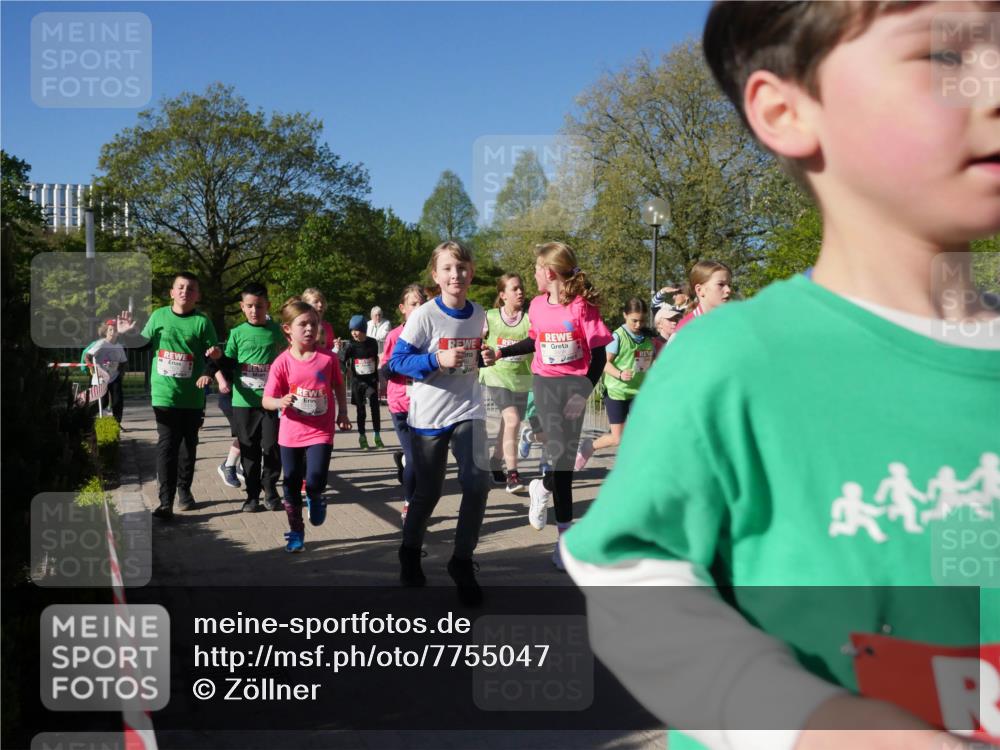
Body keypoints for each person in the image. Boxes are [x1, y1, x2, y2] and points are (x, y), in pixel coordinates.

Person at [562, 4, 1000, 750]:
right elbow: (632, 574)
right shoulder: (732, 360)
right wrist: (811, 722)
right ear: (786, 111)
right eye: (945, 56)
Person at [485, 242, 611, 570]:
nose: (534, 276)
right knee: (563, 463)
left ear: (550, 272)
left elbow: (599, 355)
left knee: (564, 465)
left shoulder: (582, 307)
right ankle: (564, 545)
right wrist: (502, 352)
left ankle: (541, 486)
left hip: (575, 387)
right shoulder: (538, 306)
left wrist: (583, 392)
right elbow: (534, 340)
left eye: (537, 269)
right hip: (545, 386)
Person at [390, 241, 490, 606]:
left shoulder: (479, 314)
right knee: (428, 493)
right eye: (447, 268)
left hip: (468, 409)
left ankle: (461, 561)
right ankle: (409, 551)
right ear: (436, 275)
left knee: (478, 482)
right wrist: (435, 359)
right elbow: (396, 363)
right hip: (429, 416)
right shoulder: (424, 315)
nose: (455, 274)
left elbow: (473, 357)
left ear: (471, 272)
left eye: (461, 267)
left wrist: (484, 356)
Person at [116, 272, 221, 519]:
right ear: (172, 292)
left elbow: (214, 356)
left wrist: (208, 373)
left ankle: (184, 490)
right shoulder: (159, 316)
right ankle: (166, 502)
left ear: (197, 295)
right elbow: (142, 345)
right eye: (180, 287)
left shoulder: (202, 322)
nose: (185, 292)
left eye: (191, 288)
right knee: (167, 445)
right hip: (164, 393)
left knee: (188, 446)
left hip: (192, 396)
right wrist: (127, 333)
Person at [262, 300, 350, 552]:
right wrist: (279, 401)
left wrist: (343, 413)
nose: (310, 328)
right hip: (290, 433)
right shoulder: (282, 362)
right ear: (287, 329)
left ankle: (315, 495)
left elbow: (339, 385)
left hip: (320, 431)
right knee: (290, 482)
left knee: (315, 478)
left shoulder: (327, 359)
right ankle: (296, 530)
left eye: (313, 323)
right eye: (303, 324)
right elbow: (266, 399)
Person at [214, 282, 286, 513]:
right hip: (244, 402)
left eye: (259, 306)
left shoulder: (277, 331)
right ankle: (252, 496)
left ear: (268, 306)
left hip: (271, 402)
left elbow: (288, 358)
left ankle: (271, 491)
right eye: (250, 306)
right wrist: (218, 361)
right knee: (249, 450)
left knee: (272, 447)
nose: (255, 311)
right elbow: (229, 364)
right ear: (242, 307)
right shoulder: (237, 333)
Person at [575, 298, 653, 470]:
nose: (638, 325)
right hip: (616, 393)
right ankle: (589, 447)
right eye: (634, 320)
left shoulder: (647, 337)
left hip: (638, 393)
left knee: (643, 431)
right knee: (617, 438)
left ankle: (636, 467)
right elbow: (603, 363)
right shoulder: (617, 337)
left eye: (642, 321)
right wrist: (619, 374)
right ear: (625, 315)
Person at [380, 283, 428, 523]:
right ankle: (409, 503)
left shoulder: (431, 333)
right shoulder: (394, 336)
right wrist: (401, 364)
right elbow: (385, 369)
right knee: (415, 458)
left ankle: (404, 463)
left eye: (422, 303)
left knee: (423, 459)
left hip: (426, 403)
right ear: (402, 308)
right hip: (401, 403)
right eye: (413, 304)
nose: (418, 308)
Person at [480, 273, 532, 494]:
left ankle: (495, 461)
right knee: (512, 418)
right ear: (502, 295)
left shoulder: (530, 319)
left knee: (509, 423)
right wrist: (481, 348)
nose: (520, 292)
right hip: (496, 375)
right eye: (514, 289)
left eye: (521, 288)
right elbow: (476, 340)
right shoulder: (489, 317)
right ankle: (513, 475)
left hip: (521, 378)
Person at [341, 314, 383, 450]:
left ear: (364, 330)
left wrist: (378, 376)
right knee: (361, 411)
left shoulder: (372, 342)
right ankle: (362, 437)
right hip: (358, 382)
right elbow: (341, 360)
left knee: (375, 409)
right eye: (351, 330)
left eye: (356, 330)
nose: (353, 333)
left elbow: (375, 359)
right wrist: (346, 370)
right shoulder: (350, 345)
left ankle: (377, 435)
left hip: (371, 381)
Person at [84, 318, 128, 424]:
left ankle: (117, 423)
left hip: (114, 377)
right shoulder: (101, 344)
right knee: (103, 402)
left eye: (115, 330)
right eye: (110, 330)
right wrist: (92, 368)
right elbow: (87, 356)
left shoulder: (119, 347)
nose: (112, 332)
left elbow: (123, 362)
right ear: (105, 331)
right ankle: (88, 419)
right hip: (101, 378)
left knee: (117, 401)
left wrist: (121, 373)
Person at [673, 260, 732, 334]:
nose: (728, 290)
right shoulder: (686, 330)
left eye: (729, 285)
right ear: (699, 290)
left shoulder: (732, 323)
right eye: (721, 284)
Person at [301, 288, 337, 353]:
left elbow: (330, 349)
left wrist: (336, 348)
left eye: (322, 302)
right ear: (306, 305)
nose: (320, 305)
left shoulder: (327, 327)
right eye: (316, 302)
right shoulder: (300, 326)